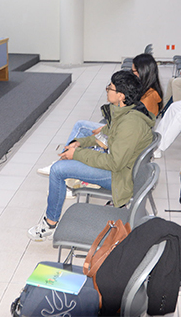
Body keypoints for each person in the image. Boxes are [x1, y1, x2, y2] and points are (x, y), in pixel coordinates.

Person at [28, 70, 154, 241]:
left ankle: (49, 224)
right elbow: (105, 134)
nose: (107, 90)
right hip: (120, 169)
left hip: (121, 178)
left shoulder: (130, 123)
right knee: (64, 164)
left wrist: (77, 154)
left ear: (121, 95)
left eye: (110, 88)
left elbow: (114, 163)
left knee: (58, 170)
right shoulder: (124, 112)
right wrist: (81, 143)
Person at [37, 53, 162, 176]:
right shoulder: (145, 91)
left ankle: (64, 162)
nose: (130, 73)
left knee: (81, 126)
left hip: (124, 150)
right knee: (87, 134)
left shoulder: (148, 99)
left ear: (144, 72)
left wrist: (107, 129)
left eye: (134, 71)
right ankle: (66, 160)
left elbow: (133, 127)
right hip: (122, 134)